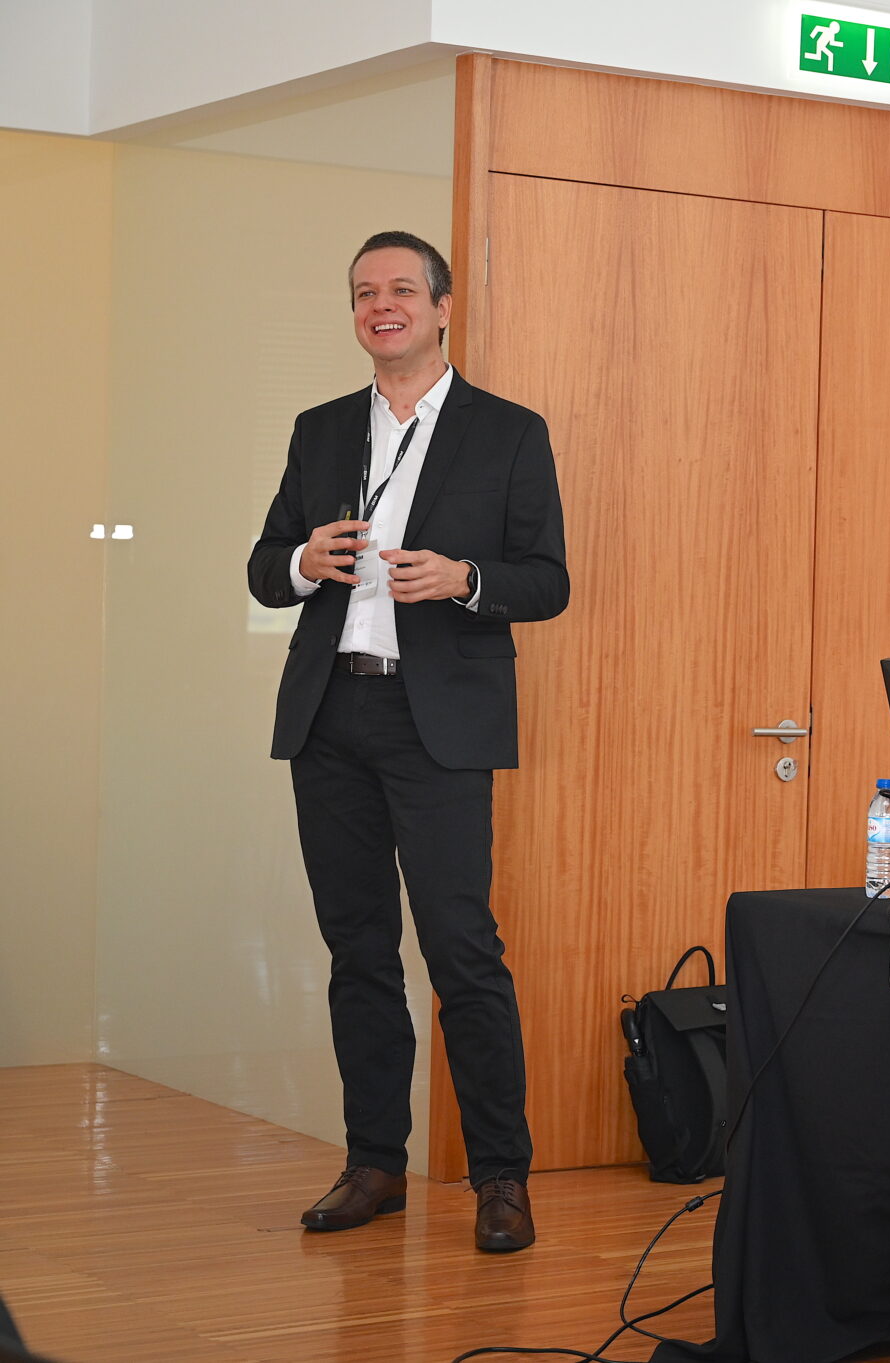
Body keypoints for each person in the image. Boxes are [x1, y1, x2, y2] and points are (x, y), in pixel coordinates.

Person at [247, 231, 571, 1251]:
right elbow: (263, 566)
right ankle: (374, 1163)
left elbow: (548, 580)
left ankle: (501, 1177)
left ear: (441, 307)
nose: (379, 305)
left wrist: (466, 580)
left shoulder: (507, 432)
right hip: (330, 716)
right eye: (362, 293)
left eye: (398, 289)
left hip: (439, 724)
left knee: (461, 950)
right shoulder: (319, 430)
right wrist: (302, 560)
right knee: (357, 951)